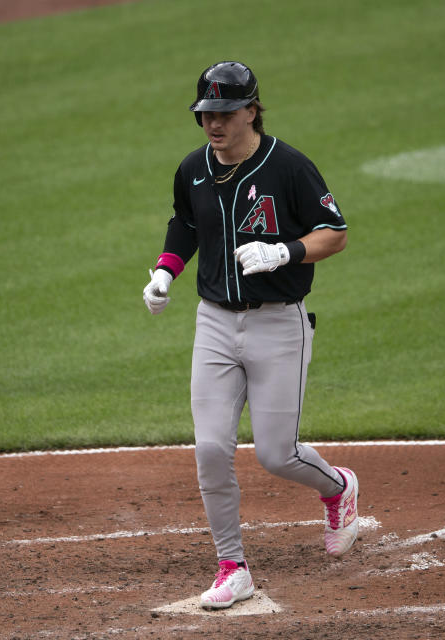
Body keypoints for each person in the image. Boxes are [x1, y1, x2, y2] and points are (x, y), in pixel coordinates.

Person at [142, 61, 359, 609]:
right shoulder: (192, 167)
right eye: (205, 114)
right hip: (214, 322)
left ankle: (338, 487)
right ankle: (231, 566)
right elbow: (185, 223)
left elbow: (335, 234)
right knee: (212, 448)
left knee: (276, 454)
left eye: (224, 112)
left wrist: (284, 250)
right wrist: (166, 269)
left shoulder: (288, 166)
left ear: (251, 111)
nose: (213, 123)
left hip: (278, 323)